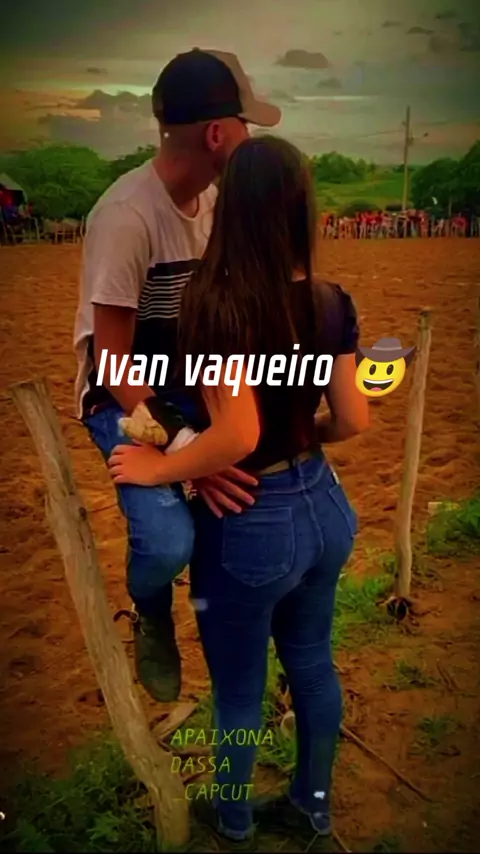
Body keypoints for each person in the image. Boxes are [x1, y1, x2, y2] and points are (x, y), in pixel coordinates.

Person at [107, 135, 369, 843]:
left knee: (238, 692)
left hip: (254, 521)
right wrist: (301, 434)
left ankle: (231, 821)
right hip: (326, 507)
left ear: (233, 208)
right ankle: (312, 805)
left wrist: (156, 469)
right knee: (311, 662)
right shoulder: (329, 300)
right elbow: (353, 418)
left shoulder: (218, 303)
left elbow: (238, 435)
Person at [73, 49, 281, 703]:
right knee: (165, 543)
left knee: (253, 487)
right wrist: (187, 447)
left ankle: (236, 639)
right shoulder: (126, 217)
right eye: (246, 125)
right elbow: (111, 362)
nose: (251, 139)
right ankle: (152, 609)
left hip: (194, 382)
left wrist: (209, 440)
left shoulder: (216, 205)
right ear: (218, 133)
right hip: (125, 395)